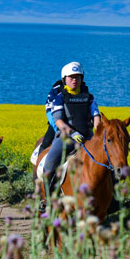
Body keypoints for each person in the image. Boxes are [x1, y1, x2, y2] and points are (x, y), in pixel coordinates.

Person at [39, 62, 101, 212]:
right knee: (49, 164)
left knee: (107, 163)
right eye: (71, 77)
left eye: (78, 77)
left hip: (87, 138)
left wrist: (97, 134)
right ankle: (47, 199)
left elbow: (96, 116)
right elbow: (58, 120)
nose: (75, 80)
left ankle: (112, 199)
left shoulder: (89, 97)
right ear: (64, 79)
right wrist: (72, 133)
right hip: (66, 138)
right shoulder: (59, 98)